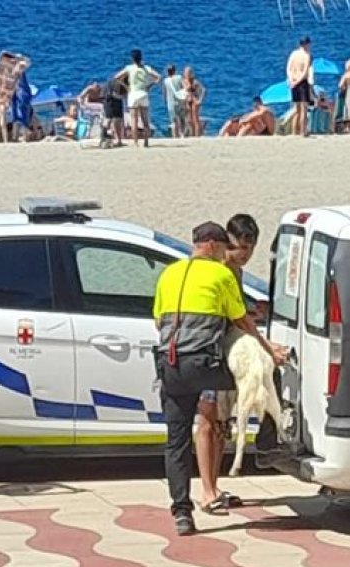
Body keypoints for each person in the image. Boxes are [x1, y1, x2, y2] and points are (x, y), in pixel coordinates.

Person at [152, 221, 279, 535]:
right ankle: (269, 436)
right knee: (258, 378)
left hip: (170, 367)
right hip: (206, 367)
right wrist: (269, 350)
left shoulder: (169, 273)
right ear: (210, 245)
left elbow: (158, 321)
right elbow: (243, 322)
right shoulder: (222, 274)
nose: (225, 254)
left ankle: (182, 512)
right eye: (222, 247)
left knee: (176, 442)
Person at [192, 215, 287, 514]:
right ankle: (206, 490)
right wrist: (267, 346)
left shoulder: (235, 272)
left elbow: (237, 312)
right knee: (208, 422)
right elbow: (234, 318)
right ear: (224, 244)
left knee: (222, 424)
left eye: (249, 249)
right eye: (237, 248)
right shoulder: (219, 271)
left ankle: (215, 486)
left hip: (231, 355)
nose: (242, 254)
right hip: (211, 351)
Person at [117, 49, 161, 147]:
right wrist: (150, 85)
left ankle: (136, 142)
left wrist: (126, 87)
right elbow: (158, 77)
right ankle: (146, 141)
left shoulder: (129, 68)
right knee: (145, 119)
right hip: (143, 93)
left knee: (134, 119)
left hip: (133, 94)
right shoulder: (146, 68)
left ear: (132, 58)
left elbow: (117, 77)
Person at [286, 36, 314, 137]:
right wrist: (297, 81)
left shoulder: (293, 53)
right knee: (304, 109)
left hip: (293, 81)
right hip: (301, 82)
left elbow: (288, 68)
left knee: (296, 109)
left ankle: (294, 132)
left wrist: (291, 80)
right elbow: (305, 71)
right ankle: (302, 131)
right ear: (307, 44)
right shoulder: (307, 55)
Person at [103, 70, 127, 147]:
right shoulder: (114, 83)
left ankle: (118, 140)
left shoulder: (116, 82)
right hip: (110, 101)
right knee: (110, 119)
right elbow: (113, 94)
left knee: (116, 120)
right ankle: (104, 136)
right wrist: (124, 96)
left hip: (116, 102)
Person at [161, 65, 187, 138]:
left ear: (167, 72)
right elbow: (185, 87)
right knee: (182, 119)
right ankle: (182, 134)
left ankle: (175, 136)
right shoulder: (179, 77)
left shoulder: (165, 81)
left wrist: (165, 101)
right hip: (180, 101)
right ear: (175, 70)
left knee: (173, 121)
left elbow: (164, 93)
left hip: (171, 103)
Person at [183, 67, 206, 137]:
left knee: (195, 119)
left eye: (188, 73)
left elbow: (204, 90)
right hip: (187, 101)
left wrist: (200, 100)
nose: (187, 74)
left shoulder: (194, 81)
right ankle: (192, 134)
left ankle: (197, 135)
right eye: (186, 72)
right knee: (189, 120)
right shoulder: (184, 81)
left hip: (194, 101)